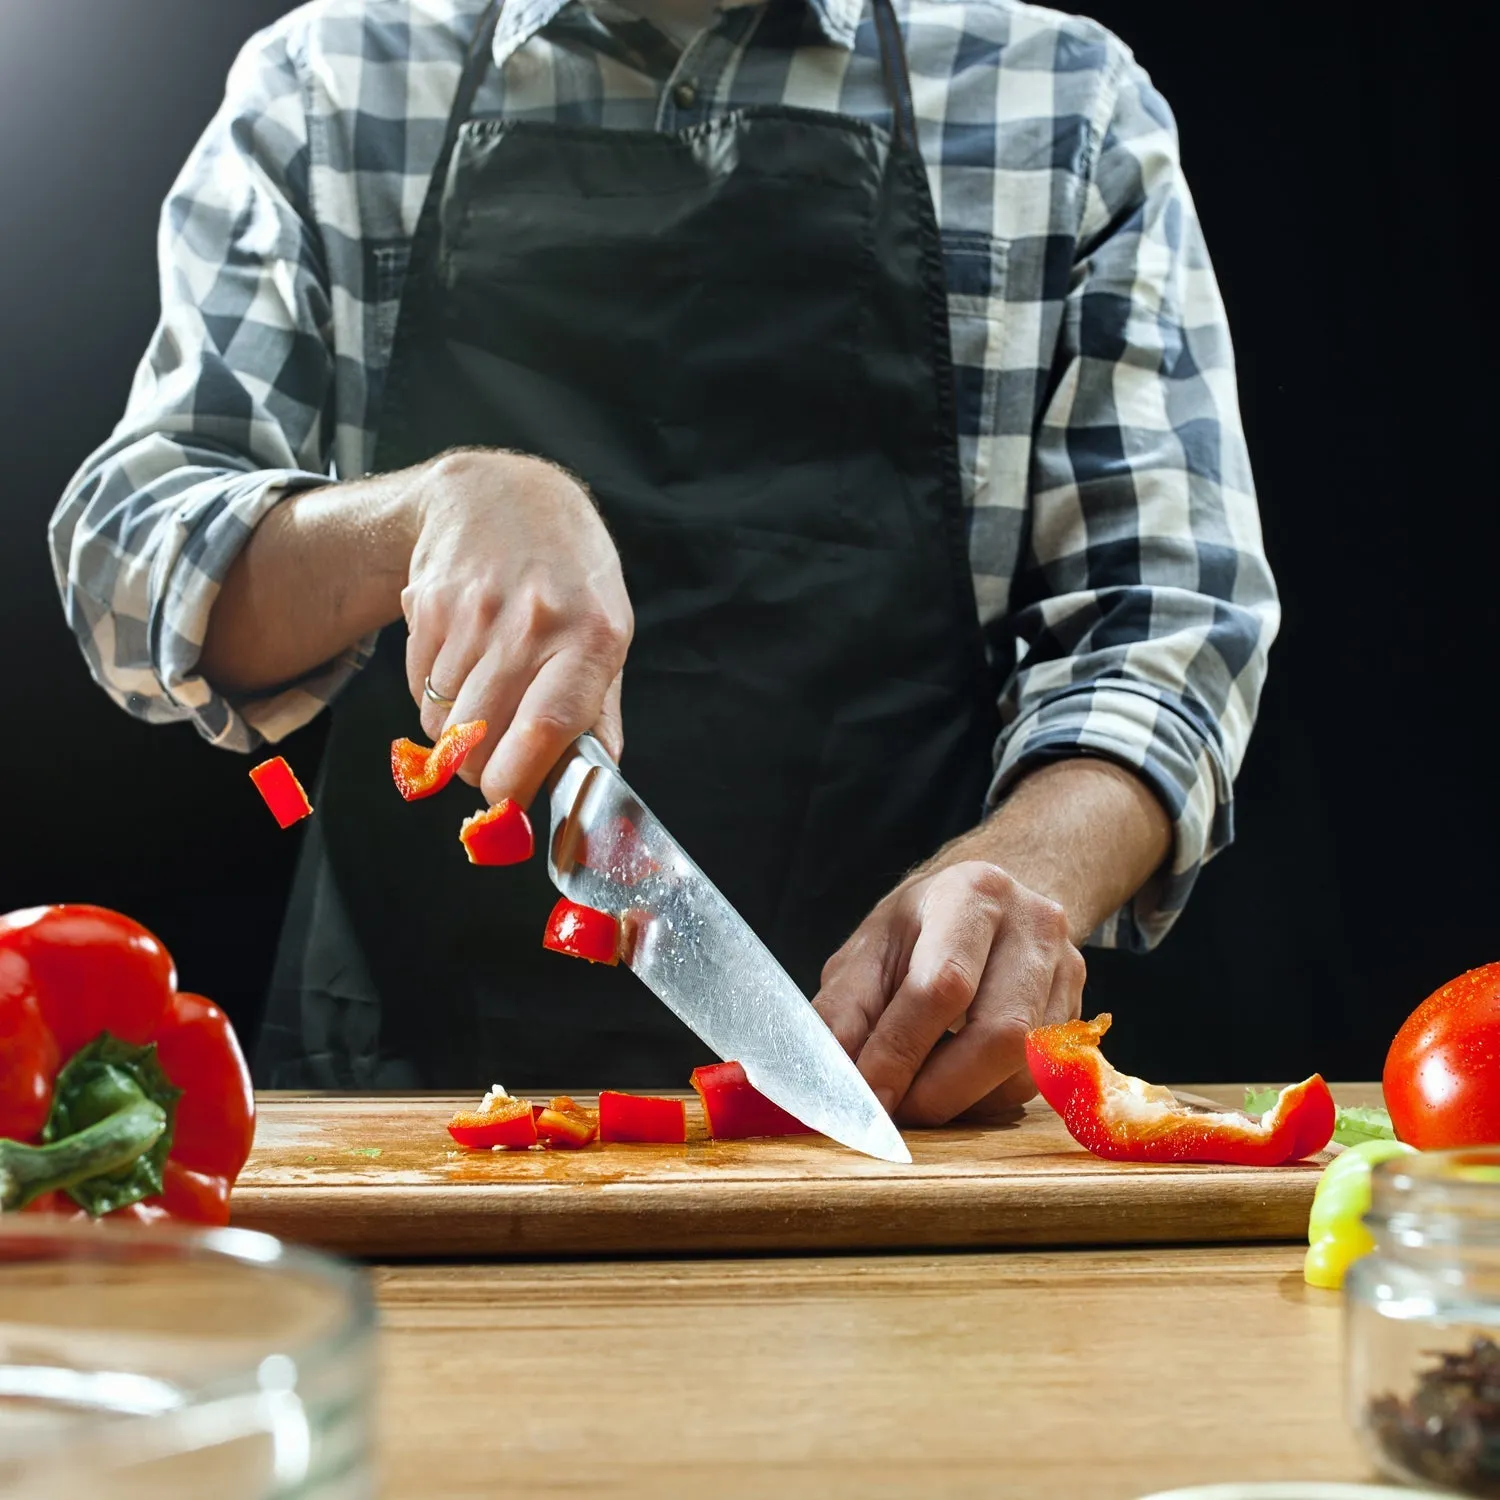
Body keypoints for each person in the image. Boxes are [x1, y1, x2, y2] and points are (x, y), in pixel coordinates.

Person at [49, 0, 1277, 1124]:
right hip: (404, 1105)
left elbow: (1167, 626)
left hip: (903, 1077)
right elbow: (129, 555)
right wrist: (426, 511)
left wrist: (1024, 869)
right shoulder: (334, 81)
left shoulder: (1059, 102)